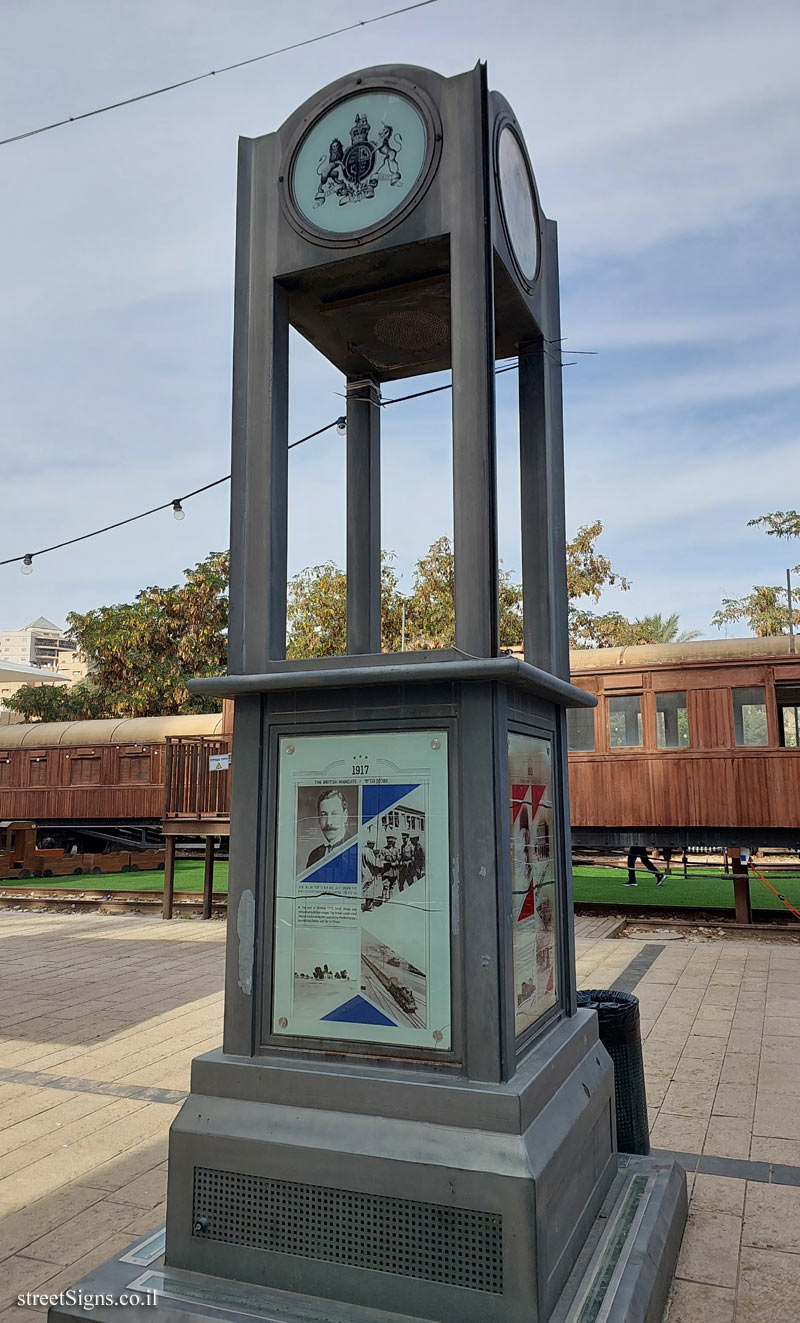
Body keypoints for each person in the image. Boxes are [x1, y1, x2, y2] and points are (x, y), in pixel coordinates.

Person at [306, 788, 351, 868]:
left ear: (345, 815)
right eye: (324, 815)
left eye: (334, 814)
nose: (329, 822)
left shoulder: (358, 849)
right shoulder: (314, 856)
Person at [382, 835, 400, 901]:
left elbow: (398, 859)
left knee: (392, 887)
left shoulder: (396, 850)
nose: (390, 843)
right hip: (386, 871)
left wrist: (396, 863)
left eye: (391, 842)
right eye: (388, 842)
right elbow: (381, 860)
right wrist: (389, 863)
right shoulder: (383, 850)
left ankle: (391, 900)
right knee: (385, 886)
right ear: (387, 841)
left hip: (394, 871)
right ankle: (383, 900)